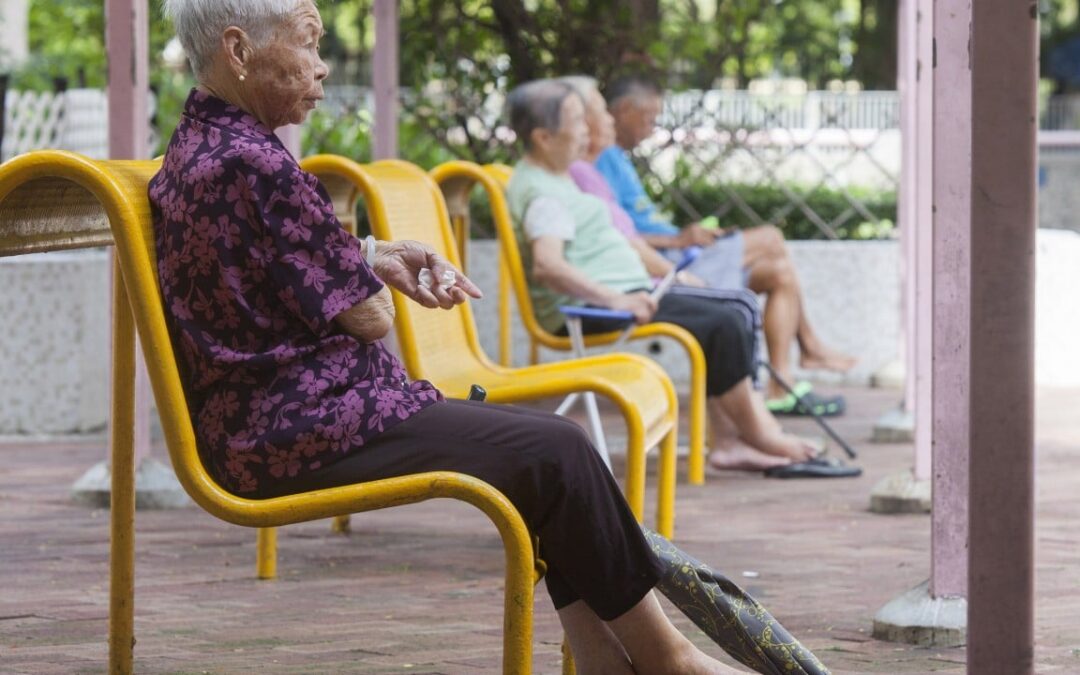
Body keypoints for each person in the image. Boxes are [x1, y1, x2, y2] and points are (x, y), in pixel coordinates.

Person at [152, 1, 749, 672]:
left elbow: (285, 265)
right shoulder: (255, 164)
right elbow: (371, 316)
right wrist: (362, 269)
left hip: (279, 419)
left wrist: (364, 254)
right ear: (238, 51)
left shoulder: (202, 147)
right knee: (559, 450)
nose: (321, 67)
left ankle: (610, 659)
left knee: (547, 455)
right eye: (309, 42)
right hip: (300, 428)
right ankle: (671, 660)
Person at [504, 79, 819, 472]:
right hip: (595, 308)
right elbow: (547, 266)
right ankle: (760, 434)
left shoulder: (555, 176)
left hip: (621, 294)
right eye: (577, 120)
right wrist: (614, 298)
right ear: (544, 137)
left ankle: (738, 440)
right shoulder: (543, 193)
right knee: (729, 315)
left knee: (732, 310)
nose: (586, 129)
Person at [596, 74, 856, 413]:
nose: (652, 127)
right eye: (649, 118)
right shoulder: (595, 161)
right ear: (623, 110)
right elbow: (613, 235)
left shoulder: (616, 157)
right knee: (771, 239)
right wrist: (676, 239)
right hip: (667, 262)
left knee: (780, 274)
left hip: (676, 251)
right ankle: (809, 347)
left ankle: (781, 387)